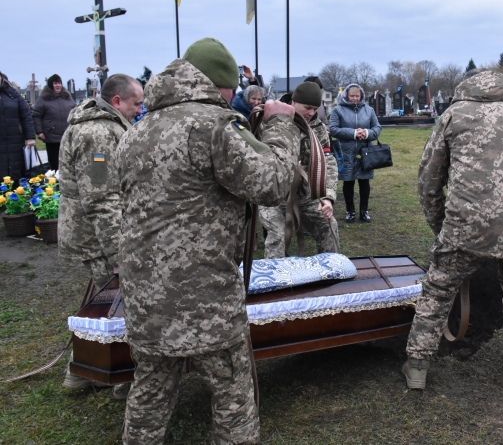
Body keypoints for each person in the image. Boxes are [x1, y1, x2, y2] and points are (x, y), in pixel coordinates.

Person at [116, 38, 300, 445]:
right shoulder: (213, 126)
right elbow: (270, 182)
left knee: (150, 388)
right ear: (219, 85)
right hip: (204, 295)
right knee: (232, 390)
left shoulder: (135, 130)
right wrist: (281, 124)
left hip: (145, 293)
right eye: (231, 89)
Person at [402, 71, 503, 390]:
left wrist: (443, 228)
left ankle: (417, 366)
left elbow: (429, 180)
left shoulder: (454, 115)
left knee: (438, 290)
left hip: (467, 223)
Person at [58, 73, 144, 395]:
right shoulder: (98, 134)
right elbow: (101, 198)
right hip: (97, 238)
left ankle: (82, 372)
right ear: (118, 101)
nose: (140, 109)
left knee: (105, 305)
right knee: (114, 307)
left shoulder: (103, 126)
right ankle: (114, 378)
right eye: (136, 103)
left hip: (94, 235)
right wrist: (117, 255)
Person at [259, 82, 339, 258]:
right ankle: (276, 278)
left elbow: (328, 161)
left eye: (315, 109)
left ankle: (332, 272)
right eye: (308, 107)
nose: (311, 113)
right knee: (277, 236)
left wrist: (327, 197)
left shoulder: (317, 127)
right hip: (275, 192)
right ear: (293, 102)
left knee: (328, 225)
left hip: (307, 192)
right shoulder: (269, 119)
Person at [328, 83, 382, 223]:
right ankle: (349, 211)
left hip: (365, 152)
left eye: (357, 96)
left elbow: (377, 128)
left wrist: (366, 133)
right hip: (346, 151)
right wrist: (353, 133)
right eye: (352, 96)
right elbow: (333, 129)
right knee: (348, 182)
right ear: (346, 95)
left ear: (361, 96)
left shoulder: (369, 110)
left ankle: (364, 211)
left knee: (364, 182)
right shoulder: (338, 110)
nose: (355, 98)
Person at [32, 74, 76, 171]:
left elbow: (76, 111)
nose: (58, 85)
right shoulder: (43, 99)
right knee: (55, 162)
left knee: (69, 162)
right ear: (51, 85)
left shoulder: (67, 97)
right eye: (55, 83)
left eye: (59, 83)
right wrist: (39, 131)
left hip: (68, 135)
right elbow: (37, 115)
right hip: (52, 136)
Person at [0, 71, 35, 183]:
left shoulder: (13, 95)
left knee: (16, 171)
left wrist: (30, 137)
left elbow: (26, 116)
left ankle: (16, 197)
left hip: (14, 139)